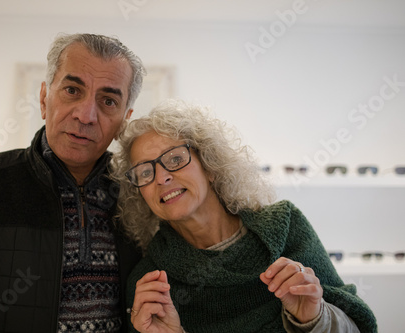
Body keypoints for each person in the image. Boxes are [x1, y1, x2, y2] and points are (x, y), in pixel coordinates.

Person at [0, 33, 145, 333]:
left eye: (108, 100)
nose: (86, 115)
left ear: (124, 120)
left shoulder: (143, 195)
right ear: (44, 99)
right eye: (72, 90)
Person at [110, 100, 378, 333]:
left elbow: (357, 326)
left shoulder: (285, 227)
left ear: (209, 165)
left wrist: (314, 318)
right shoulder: (151, 285)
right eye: (145, 172)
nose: (162, 177)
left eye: (176, 159)